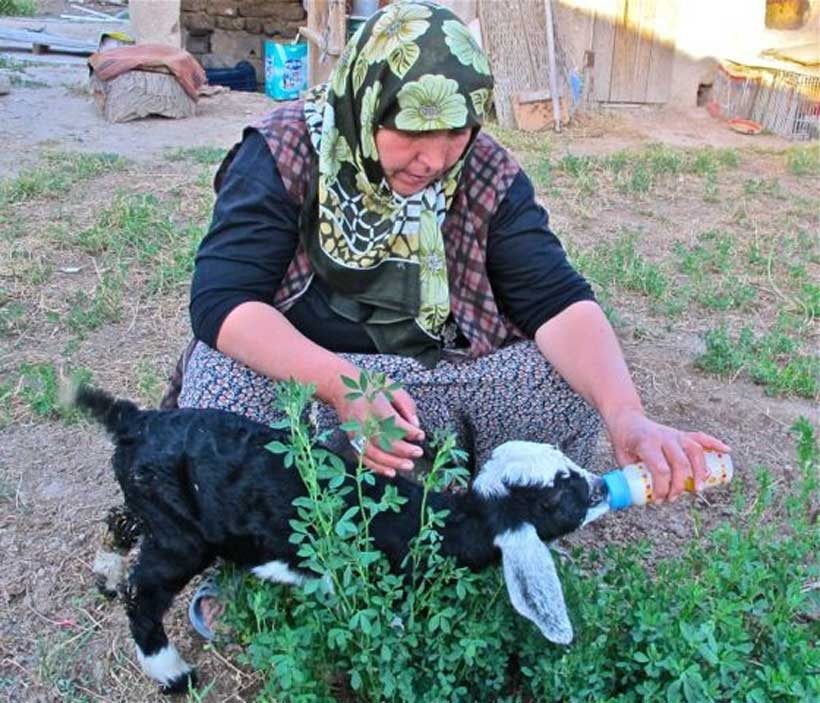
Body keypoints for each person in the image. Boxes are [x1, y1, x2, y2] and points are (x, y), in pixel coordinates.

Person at [170, 1, 729, 637]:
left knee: (571, 392)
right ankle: (258, 557)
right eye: (412, 130)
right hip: (309, 392)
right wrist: (345, 387)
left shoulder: (486, 174)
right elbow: (223, 302)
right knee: (216, 385)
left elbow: (558, 301)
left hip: (435, 393)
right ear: (367, 100)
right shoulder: (287, 151)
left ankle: (471, 523)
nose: (435, 159)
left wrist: (626, 415)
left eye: (455, 132)